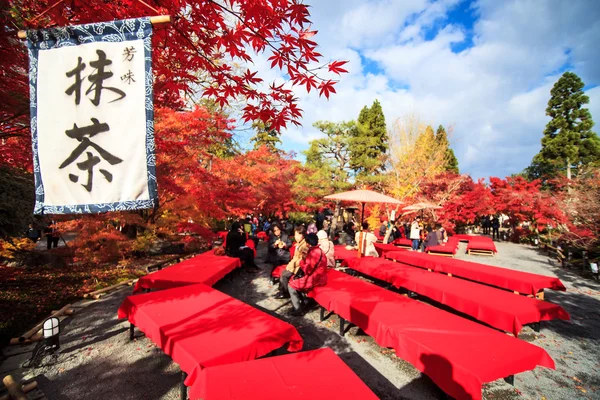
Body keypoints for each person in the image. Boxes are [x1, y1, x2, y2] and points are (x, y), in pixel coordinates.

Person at [288, 233, 328, 316]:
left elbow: (308, 270)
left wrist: (302, 261)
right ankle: (302, 303)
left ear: (308, 243)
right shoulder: (319, 251)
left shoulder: (314, 253)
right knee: (293, 278)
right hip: (321, 277)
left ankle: (298, 308)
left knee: (291, 285)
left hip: (315, 279)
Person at [277, 225, 307, 299]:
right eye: (295, 234)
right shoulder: (300, 243)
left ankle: (285, 292)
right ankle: (282, 291)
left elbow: (301, 260)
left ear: (303, 235)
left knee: (284, 275)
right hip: (294, 265)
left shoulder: (304, 245)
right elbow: (295, 257)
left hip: (299, 268)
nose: (296, 237)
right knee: (283, 273)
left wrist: (291, 266)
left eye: (298, 235)